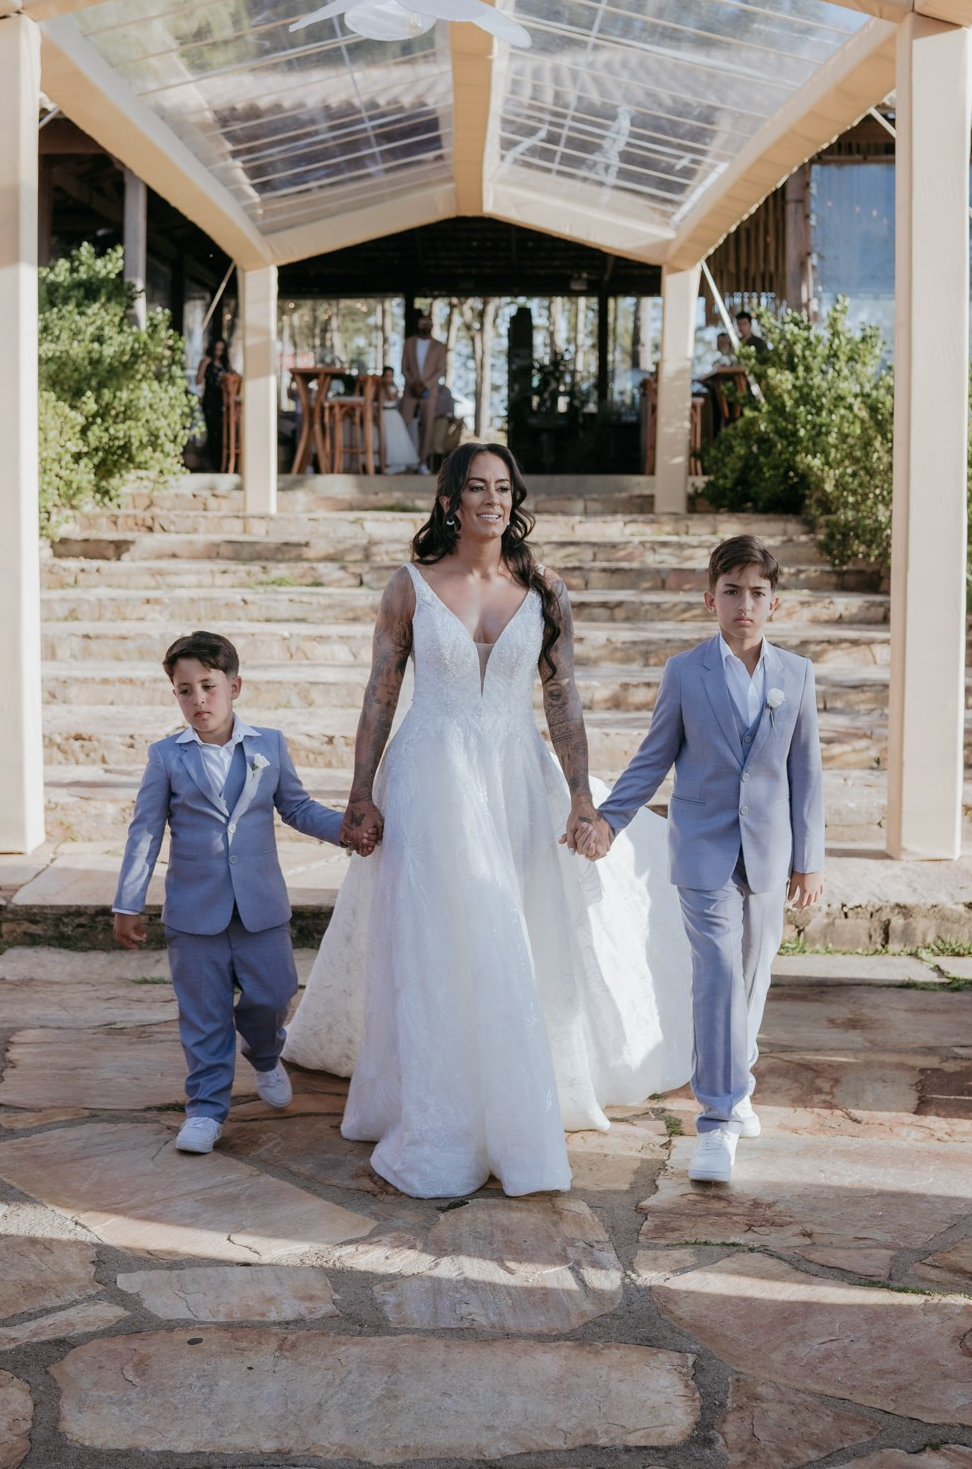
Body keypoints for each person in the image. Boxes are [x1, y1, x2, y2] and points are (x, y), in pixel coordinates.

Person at [285, 443, 692, 1199]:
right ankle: (442, 1106)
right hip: (428, 781)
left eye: (503, 488)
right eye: (476, 487)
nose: (492, 500)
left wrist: (580, 797)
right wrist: (360, 793)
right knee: (435, 937)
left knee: (514, 932)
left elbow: (563, 698)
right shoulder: (410, 588)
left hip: (514, 782)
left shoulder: (545, 589)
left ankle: (516, 1099)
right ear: (449, 501)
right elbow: (379, 694)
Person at [585, 534, 825, 1185]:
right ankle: (716, 1123)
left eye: (757, 593)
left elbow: (806, 775)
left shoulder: (796, 676)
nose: (744, 604)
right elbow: (652, 758)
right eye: (731, 592)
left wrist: (810, 859)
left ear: (774, 602)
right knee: (717, 971)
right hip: (703, 849)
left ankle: (736, 1082)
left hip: (770, 855)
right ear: (709, 597)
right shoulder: (686, 673)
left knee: (752, 975)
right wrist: (609, 821)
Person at [112, 630, 363, 1155]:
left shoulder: (268, 745)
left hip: (260, 905)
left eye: (208, 686)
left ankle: (266, 1053)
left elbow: (296, 807)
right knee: (202, 1013)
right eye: (185, 690)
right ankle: (205, 1109)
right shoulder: (166, 757)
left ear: (235, 686)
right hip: (193, 913)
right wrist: (128, 902)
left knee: (274, 994)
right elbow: (145, 832)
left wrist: (346, 829)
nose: (198, 700)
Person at [400, 311, 447, 473]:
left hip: (429, 391)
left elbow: (440, 369)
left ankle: (422, 463)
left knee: (427, 426)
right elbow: (404, 367)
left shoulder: (439, 346)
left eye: (428, 322)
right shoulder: (409, 343)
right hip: (410, 390)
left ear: (432, 325)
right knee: (404, 423)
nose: (425, 325)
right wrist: (413, 383)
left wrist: (425, 384)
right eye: (422, 322)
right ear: (418, 324)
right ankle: (404, 460)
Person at [376, 367, 421, 473]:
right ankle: (384, 462)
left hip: (392, 414)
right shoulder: (379, 388)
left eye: (391, 375)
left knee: (395, 438)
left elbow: (393, 398)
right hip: (383, 413)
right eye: (387, 375)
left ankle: (397, 463)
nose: (389, 378)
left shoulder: (393, 387)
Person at [196, 338, 229, 471]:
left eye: (221, 350)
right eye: (216, 349)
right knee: (212, 431)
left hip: (222, 400)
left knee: (222, 431)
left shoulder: (225, 364)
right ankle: (211, 461)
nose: (218, 353)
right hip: (210, 400)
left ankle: (221, 462)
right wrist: (204, 365)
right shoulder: (205, 362)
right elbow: (198, 381)